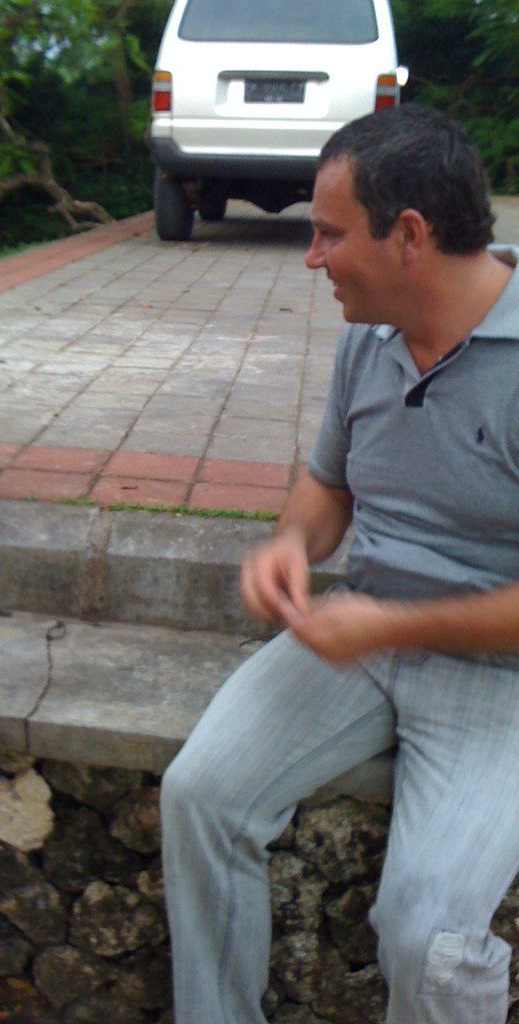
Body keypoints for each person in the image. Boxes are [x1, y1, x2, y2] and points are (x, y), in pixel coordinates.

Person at [160, 103, 519, 1024]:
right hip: (359, 640)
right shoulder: (370, 331)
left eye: (328, 233)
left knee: (430, 939)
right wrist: (290, 546)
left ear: (410, 236)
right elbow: (327, 485)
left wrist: (394, 624)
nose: (311, 258)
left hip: (500, 677)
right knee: (200, 796)